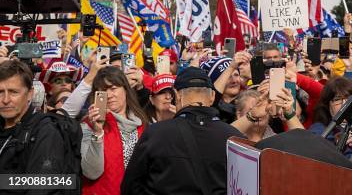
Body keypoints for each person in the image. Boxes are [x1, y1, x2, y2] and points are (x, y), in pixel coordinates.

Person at [120, 67, 245, 194]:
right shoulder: (234, 138)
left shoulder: (155, 134)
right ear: (212, 96)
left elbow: (130, 187)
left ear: (177, 95)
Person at [0, 60, 78, 189]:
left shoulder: (46, 131)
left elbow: (42, 185)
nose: (6, 100)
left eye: (14, 92)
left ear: (30, 93)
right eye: (0, 92)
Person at [80, 66, 148, 194]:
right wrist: (98, 132)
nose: (109, 95)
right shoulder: (88, 125)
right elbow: (91, 173)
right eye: (103, 91)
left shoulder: (143, 124)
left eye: (113, 88)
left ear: (126, 89)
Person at [309, 76, 352, 155]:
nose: (345, 104)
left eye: (349, 99)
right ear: (327, 104)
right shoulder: (319, 130)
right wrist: (336, 145)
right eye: (337, 99)